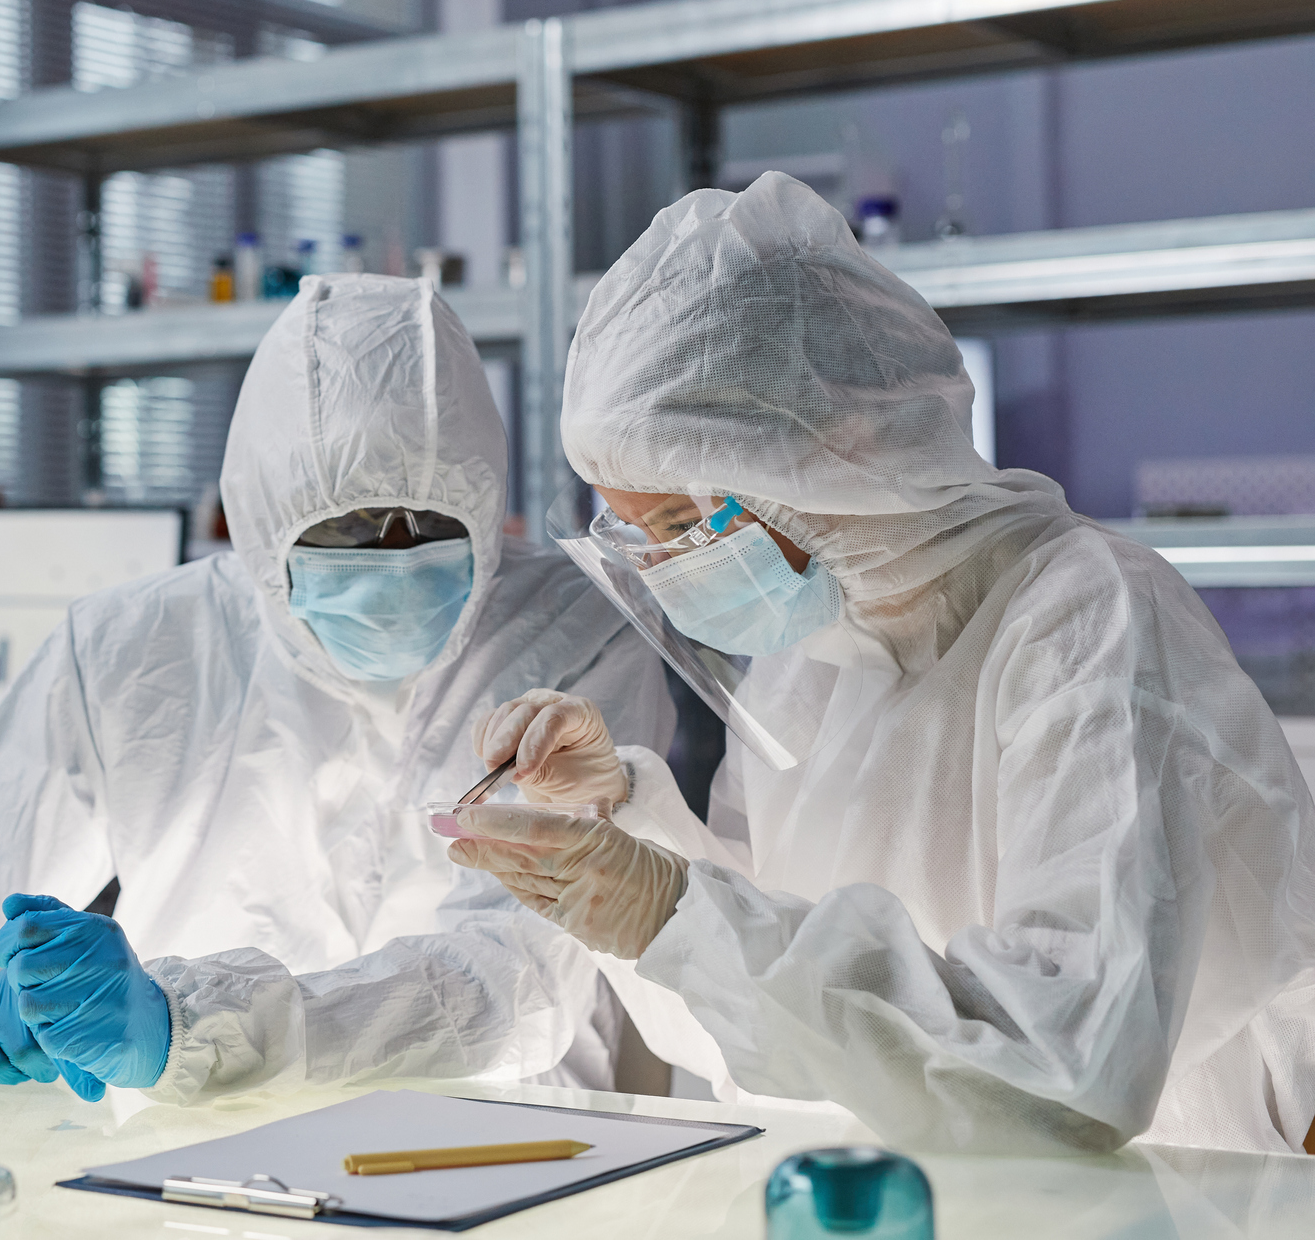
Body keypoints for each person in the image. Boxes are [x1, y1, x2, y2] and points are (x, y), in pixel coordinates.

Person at [449, 172, 1315, 1154]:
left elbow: (1062, 1076)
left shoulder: (1085, 617)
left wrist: (674, 911)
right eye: (641, 536)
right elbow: (768, 1038)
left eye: (687, 521)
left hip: (1173, 1189)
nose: (673, 570)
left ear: (836, 444)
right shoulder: (809, 654)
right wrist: (628, 827)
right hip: (911, 1190)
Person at [0, 274, 675, 1102]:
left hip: (491, 1133)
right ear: (261, 521)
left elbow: (513, 979)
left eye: (431, 522)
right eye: (343, 524)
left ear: (486, 504)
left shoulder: (580, 630)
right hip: (182, 1125)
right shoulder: (134, 644)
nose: (393, 554)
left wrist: (191, 1026)